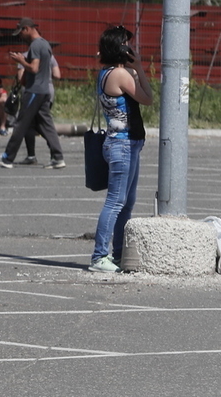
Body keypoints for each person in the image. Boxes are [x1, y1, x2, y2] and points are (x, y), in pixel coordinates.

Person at [89, 26, 152, 273]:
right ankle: (99, 256)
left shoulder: (107, 72)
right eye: (126, 45)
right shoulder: (119, 74)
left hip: (125, 143)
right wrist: (139, 68)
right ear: (119, 48)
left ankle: (117, 254)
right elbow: (147, 98)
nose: (130, 49)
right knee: (116, 202)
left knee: (126, 203)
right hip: (122, 144)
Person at [0, 17, 65, 170]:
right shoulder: (45, 44)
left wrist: (21, 60)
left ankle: (8, 157)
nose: (20, 36)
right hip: (44, 91)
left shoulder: (35, 45)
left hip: (34, 91)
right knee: (46, 125)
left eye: (21, 33)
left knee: (21, 124)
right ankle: (57, 158)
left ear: (27, 29)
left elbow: (34, 68)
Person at [14, 55, 61, 164]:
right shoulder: (50, 56)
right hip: (48, 92)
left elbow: (22, 79)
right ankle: (54, 155)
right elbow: (57, 75)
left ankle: (54, 154)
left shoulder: (25, 56)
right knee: (40, 123)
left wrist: (25, 65)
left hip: (33, 93)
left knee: (34, 125)